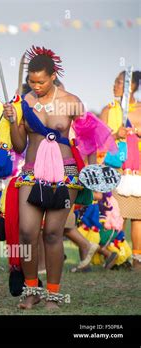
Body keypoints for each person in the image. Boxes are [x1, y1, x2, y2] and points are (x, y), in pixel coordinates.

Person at [3, 46, 111, 309]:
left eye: (41, 81)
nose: (36, 86)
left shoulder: (71, 101)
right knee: (27, 233)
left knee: (52, 233)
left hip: (65, 173)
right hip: (31, 173)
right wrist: (12, 121)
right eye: (31, 81)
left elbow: (89, 140)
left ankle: (53, 294)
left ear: (53, 76)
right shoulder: (24, 103)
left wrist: (93, 173)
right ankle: (31, 290)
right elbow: (19, 146)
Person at [100, 70, 141, 270]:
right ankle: (116, 256)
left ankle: (136, 260)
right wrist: (116, 134)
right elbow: (97, 139)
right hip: (114, 171)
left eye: (118, 82)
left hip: (136, 171)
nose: (114, 86)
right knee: (116, 215)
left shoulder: (140, 109)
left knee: (138, 216)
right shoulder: (109, 109)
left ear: (131, 86)